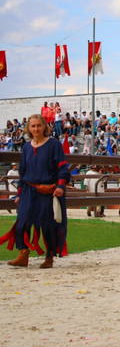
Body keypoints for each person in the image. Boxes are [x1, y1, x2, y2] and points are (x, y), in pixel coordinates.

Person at [0, 114, 70, 268]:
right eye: (33, 126)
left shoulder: (54, 144)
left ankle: (49, 257)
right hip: (28, 191)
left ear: (44, 126)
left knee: (48, 225)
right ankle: (23, 254)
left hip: (48, 191)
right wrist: (19, 194)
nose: (36, 128)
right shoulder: (26, 147)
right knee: (22, 222)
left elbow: (62, 168)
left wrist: (59, 187)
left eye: (39, 125)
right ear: (28, 128)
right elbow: (23, 173)